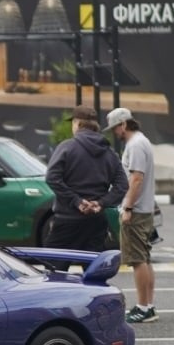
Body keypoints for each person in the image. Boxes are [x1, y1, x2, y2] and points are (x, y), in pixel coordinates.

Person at [44, 103, 128, 252]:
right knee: (93, 271)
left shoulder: (67, 147)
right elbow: (122, 186)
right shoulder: (109, 152)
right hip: (96, 222)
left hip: (67, 220)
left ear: (77, 123)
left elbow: (52, 177)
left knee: (55, 269)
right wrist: (101, 203)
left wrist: (77, 201)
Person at [105, 107, 157, 324]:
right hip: (144, 208)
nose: (115, 133)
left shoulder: (135, 145)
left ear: (124, 124)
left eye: (116, 128)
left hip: (135, 210)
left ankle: (143, 307)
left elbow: (136, 179)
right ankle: (149, 305)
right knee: (144, 258)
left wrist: (127, 207)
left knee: (137, 260)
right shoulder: (143, 142)